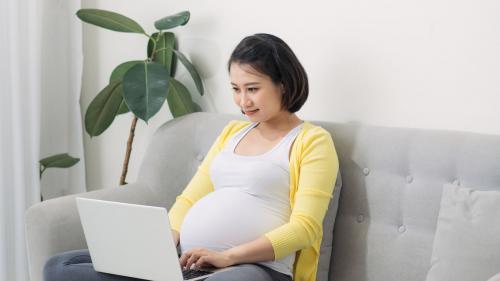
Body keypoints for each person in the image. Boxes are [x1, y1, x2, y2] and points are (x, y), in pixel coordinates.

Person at [43, 33, 339, 281]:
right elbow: (188, 200)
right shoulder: (231, 133)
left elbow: (305, 228)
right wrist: (164, 245)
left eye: (253, 89)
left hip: (256, 268)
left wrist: (227, 257)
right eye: (236, 89)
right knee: (59, 267)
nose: (242, 101)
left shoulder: (311, 141)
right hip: (188, 263)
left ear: (283, 85)